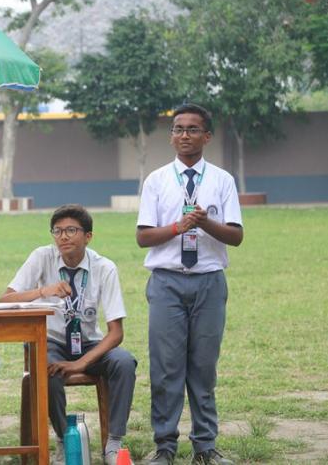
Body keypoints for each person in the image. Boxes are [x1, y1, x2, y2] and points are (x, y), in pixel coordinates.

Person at [136, 103, 243, 465]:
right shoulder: (157, 180)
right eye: (178, 129)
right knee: (166, 368)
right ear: (171, 136)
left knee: (203, 368)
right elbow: (143, 237)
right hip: (167, 283)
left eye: (193, 129)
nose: (184, 135)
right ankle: (165, 446)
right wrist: (177, 227)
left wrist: (203, 223)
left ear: (207, 136)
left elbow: (236, 236)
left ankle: (205, 446)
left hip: (208, 283)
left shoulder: (222, 180)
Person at [0, 204, 137, 465]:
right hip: (51, 341)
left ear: (88, 236)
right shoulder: (42, 257)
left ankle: (114, 443)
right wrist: (43, 291)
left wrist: (80, 363)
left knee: (124, 362)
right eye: (57, 231)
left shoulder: (104, 267)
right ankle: (65, 439)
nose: (63, 237)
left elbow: (116, 333)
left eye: (71, 230)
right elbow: (5, 299)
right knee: (47, 368)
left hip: (89, 345)